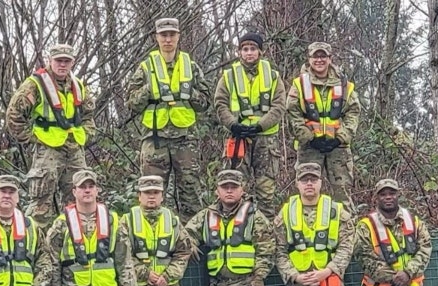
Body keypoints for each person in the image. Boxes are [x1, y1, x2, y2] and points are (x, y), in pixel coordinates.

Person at [127, 17, 208, 218]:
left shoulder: (190, 66)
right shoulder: (146, 67)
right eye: (164, 35)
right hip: (155, 139)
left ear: (178, 36)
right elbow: (131, 103)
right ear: (157, 37)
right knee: (151, 194)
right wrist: (149, 90)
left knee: (191, 195)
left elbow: (206, 103)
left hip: (185, 139)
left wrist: (190, 94)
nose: (168, 39)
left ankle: (190, 243)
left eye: (172, 35)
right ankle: (150, 241)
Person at [6, 42, 96, 221]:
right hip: (47, 149)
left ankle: (74, 245)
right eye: (58, 60)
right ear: (50, 60)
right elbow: (13, 114)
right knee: (40, 203)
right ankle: (36, 246)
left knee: (80, 202)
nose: (62, 65)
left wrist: (86, 134)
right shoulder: (35, 84)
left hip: (75, 149)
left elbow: (88, 115)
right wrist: (32, 139)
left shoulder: (78, 85)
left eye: (66, 61)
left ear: (72, 62)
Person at [212, 30, 287, 212]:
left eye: (253, 48)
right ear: (239, 52)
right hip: (238, 139)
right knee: (234, 188)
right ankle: (235, 230)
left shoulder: (274, 76)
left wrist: (260, 125)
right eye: (245, 49)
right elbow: (220, 103)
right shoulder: (228, 76)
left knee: (266, 192)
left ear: (260, 52)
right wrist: (233, 125)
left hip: (266, 139)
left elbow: (279, 106)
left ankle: (266, 235)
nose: (249, 52)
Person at [287, 42, 360, 202]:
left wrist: (341, 137)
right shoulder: (299, 84)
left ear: (330, 58)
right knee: (307, 194)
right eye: (315, 56)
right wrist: (308, 137)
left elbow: (353, 111)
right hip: (309, 147)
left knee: (343, 196)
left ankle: (346, 227)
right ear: (309, 59)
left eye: (323, 56)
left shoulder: (343, 84)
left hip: (338, 148)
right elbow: (292, 112)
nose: (319, 60)